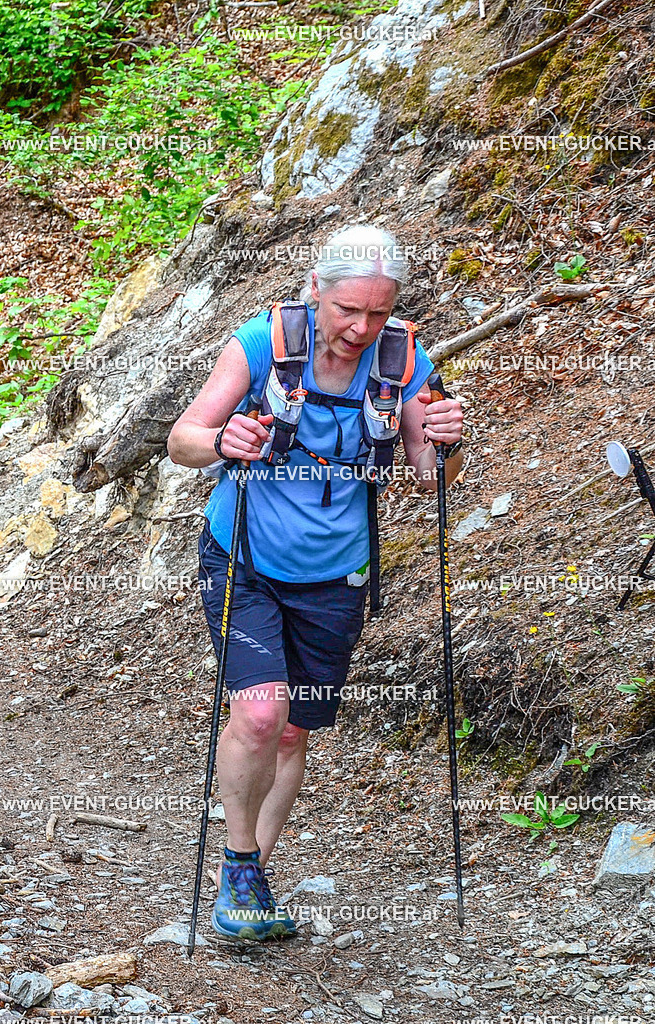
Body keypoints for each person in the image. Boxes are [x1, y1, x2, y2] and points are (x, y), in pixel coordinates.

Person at [167, 224, 464, 940]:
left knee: (294, 732)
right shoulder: (260, 344)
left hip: (337, 572)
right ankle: (238, 867)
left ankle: (248, 882)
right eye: (346, 311)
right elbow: (183, 439)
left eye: (377, 312)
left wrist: (451, 440)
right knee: (262, 713)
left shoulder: (404, 362)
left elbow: (431, 475)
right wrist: (221, 441)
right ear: (315, 292)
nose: (361, 328)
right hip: (244, 556)